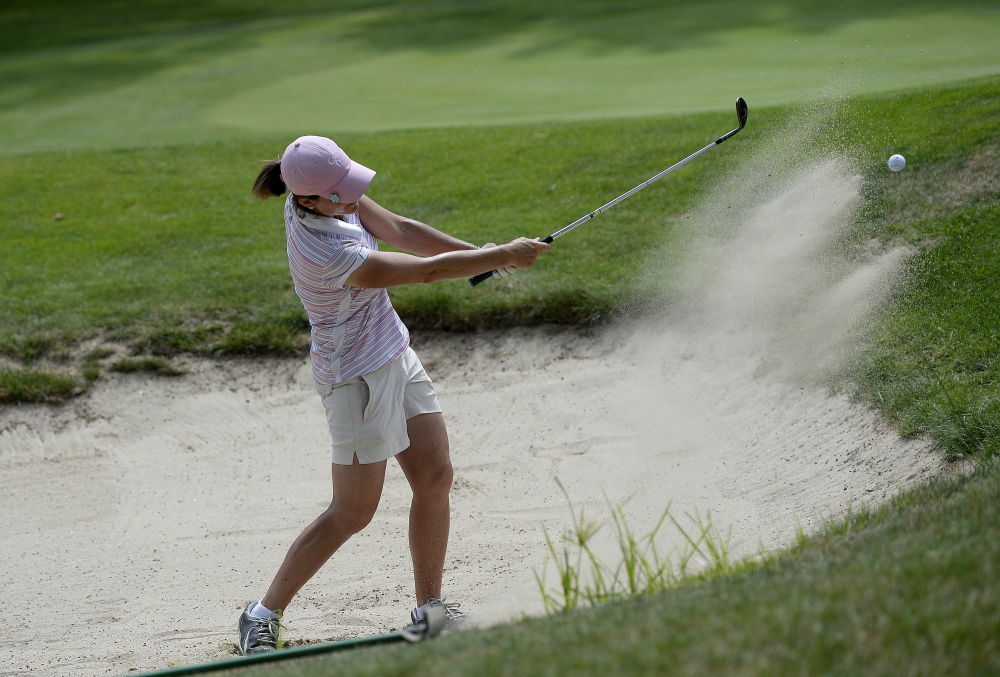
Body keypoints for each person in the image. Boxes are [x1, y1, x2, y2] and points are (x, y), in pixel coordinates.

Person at [239, 135, 549, 654]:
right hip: (354, 378)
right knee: (353, 511)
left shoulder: (336, 199)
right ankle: (261, 614)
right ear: (310, 200)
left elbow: (402, 231)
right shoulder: (325, 249)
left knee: (434, 477)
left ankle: (430, 610)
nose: (352, 198)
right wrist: (501, 256)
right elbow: (424, 272)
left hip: (394, 353)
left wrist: (478, 256)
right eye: (340, 193)